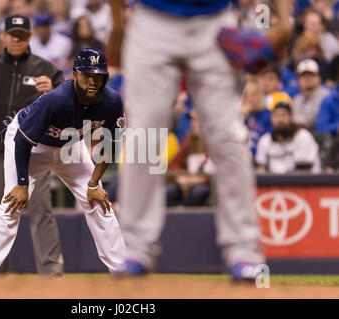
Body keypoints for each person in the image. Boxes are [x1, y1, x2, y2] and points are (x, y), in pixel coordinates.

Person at [116, 0, 292, 281]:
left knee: (228, 137)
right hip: (152, 19)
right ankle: (135, 248)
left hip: (214, 21)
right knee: (144, 135)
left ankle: (244, 250)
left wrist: (285, 19)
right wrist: (117, 27)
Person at [0, 48, 126, 279]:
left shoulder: (111, 102)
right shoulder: (56, 99)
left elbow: (110, 147)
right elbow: (21, 141)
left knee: (99, 201)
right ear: (74, 74)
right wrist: (21, 184)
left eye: (98, 75)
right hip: (32, 146)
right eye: (87, 74)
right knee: (11, 204)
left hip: (70, 146)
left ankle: (122, 272)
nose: (92, 80)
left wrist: (93, 184)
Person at [0, 14, 65, 277]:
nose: (16, 39)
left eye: (21, 35)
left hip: (33, 153)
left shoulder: (46, 68)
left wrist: (53, 91)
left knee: (41, 211)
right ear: (3, 36)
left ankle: (52, 276)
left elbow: (68, 107)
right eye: (12, 34)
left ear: (29, 37)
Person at [255, 102, 321, 174]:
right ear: (271, 118)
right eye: (276, 116)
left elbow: (304, 169)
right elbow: (260, 167)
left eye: (284, 115)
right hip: (273, 182)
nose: (280, 119)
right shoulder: (265, 140)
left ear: (291, 117)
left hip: (301, 182)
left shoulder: (303, 136)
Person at [292, 58, 330, 131]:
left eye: (311, 75)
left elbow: (313, 122)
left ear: (319, 77)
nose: (307, 78)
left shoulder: (326, 96)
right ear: (298, 80)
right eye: (303, 76)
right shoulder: (296, 99)